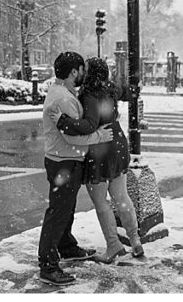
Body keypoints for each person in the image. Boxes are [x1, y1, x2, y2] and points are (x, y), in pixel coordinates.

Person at [37, 52, 114, 286]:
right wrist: (100, 135)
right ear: (73, 72)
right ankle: (48, 265)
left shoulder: (64, 93)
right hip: (64, 161)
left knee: (66, 209)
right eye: (82, 70)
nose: (84, 74)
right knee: (58, 212)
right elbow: (74, 139)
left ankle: (66, 246)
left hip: (64, 161)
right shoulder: (64, 99)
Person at [57, 57, 144, 263]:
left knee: (101, 201)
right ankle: (135, 240)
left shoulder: (89, 95)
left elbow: (90, 124)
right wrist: (134, 88)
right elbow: (128, 93)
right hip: (119, 142)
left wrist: (65, 123)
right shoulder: (111, 89)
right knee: (121, 197)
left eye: (86, 69)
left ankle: (114, 245)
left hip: (101, 148)